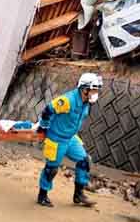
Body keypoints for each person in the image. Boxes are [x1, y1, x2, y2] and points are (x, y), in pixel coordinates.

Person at [36, 73, 103, 208]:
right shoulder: (68, 100)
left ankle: (78, 195)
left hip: (70, 138)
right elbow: (48, 110)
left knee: (84, 161)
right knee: (52, 169)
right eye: (94, 89)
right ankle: (42, 195)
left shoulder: (86, 102)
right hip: (56, 138)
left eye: (97, 90)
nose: (96, 93)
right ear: (84, 89)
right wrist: (43, 127)